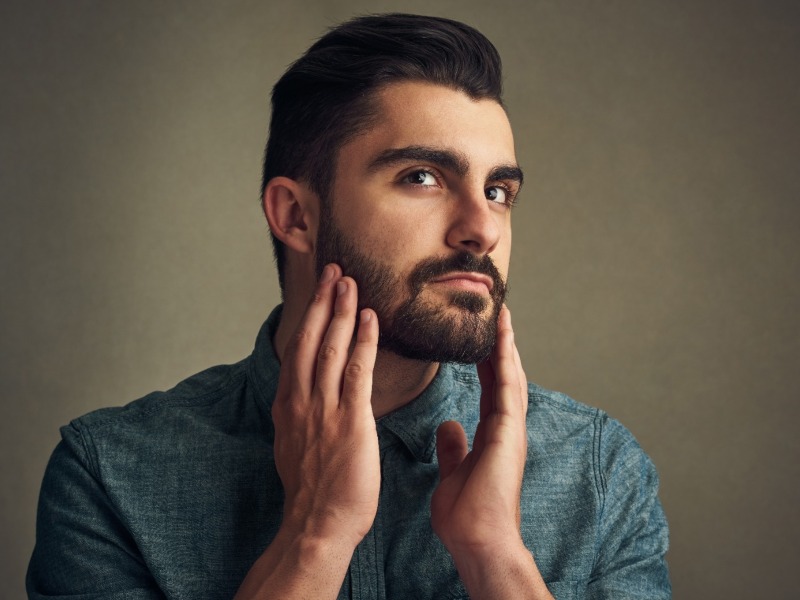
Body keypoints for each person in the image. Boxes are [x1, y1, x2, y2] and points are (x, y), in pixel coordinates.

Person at [27, 13, 671, 600]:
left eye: (499, 190)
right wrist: (314, 537)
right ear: (296, 215)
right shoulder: (111, 476)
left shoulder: (601, 470)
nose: (484, 229)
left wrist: (496, 557)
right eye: (422, 177)